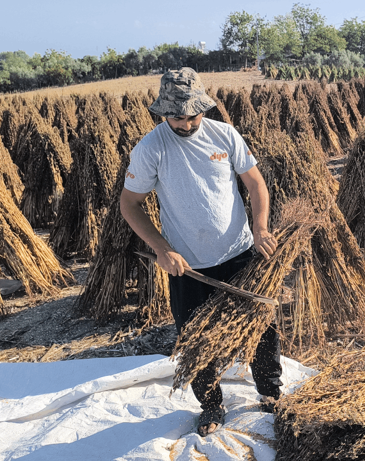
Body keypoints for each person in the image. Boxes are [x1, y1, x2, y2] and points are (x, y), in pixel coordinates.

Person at [120, 68, 283, 438]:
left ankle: (271, 394)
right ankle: (211, 404)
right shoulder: (150, 149)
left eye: (193, 114)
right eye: (177, 116)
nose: (186, 122)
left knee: (261, 326)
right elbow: (129, 205)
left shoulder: (224, 134)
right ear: (164, 113)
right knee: (197, 339)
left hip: (241, 252)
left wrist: (260, 228)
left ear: (203, 108)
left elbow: (256, 184)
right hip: (189, 266)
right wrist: (162, 249)